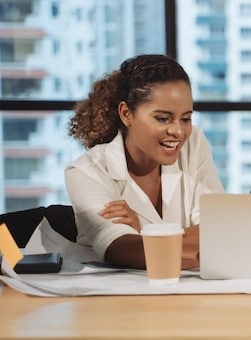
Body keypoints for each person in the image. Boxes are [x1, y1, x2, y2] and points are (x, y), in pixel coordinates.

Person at [65, 54, 224, 270]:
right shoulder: (86, 172)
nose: (178, 131)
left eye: (185, 119)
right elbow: (120, 250)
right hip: (116, 299)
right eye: (162, 118)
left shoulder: (194, 143)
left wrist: (144, 233)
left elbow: (220, 229)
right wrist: (201, 245)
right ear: (126, 114)